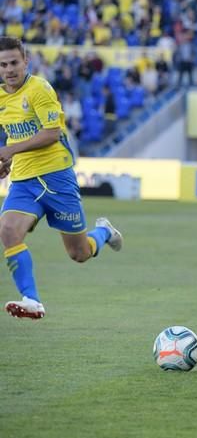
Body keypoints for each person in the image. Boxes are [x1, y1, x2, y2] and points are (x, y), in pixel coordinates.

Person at [0, 36, 123, 320]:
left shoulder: (40, 89)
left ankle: (104, 231)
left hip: (57, 179)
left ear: (26, 61)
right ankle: (31, 299)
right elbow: (16, 133)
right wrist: (7, 161)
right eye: (3, 64)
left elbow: (50, 133)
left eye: (14, 62)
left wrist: (9, 150)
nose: (9, 69)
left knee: (79, 254)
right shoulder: (2, 97)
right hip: (24, 181)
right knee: (7, 230)